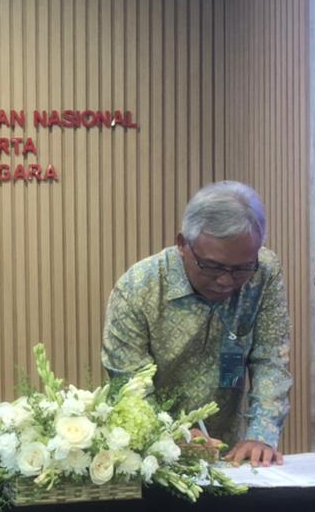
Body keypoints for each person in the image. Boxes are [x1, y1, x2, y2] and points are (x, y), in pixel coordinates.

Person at [102, 181, 292, 467]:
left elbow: (271, 359)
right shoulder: (138, 288)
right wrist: (168, 435)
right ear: (182, 244)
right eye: (212, 266)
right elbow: (129, 384)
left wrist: (261, 435)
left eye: (241, 268)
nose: (226, 280)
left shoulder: (263, 271)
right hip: (149, 455)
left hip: (228, 456)